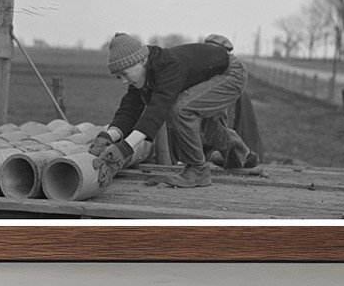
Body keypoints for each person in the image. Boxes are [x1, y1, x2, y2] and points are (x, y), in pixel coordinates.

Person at [89, 32, 253, 188]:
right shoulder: (141, 76)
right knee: (208, 129)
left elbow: (156, 111)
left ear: (142, 60)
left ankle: (198, 170)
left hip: (231, 74)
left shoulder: (168, 65)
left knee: (181, 109)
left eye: (125, 74)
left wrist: (124, 149)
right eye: (119, 77)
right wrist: (107, 136)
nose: (124, 81)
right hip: (210, 76)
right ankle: (244, 157)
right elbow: (129, 111)